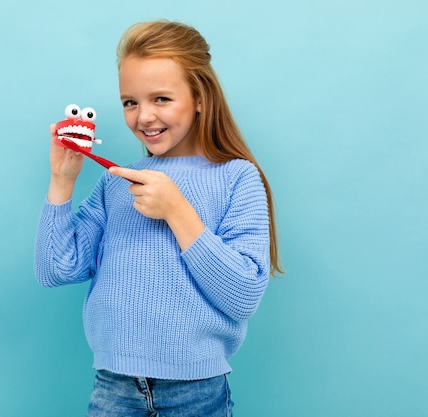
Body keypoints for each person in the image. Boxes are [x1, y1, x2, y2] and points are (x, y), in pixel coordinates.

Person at [34, 20, 282, 417]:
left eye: (161, 99)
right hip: (113, 389)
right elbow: (55, 270)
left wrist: (177, 210)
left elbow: (243, 294)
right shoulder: (115, 183)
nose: (143, 117)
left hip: (196, 393)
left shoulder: (237, 177)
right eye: (130, 102)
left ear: (200, 97)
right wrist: (61, 182)